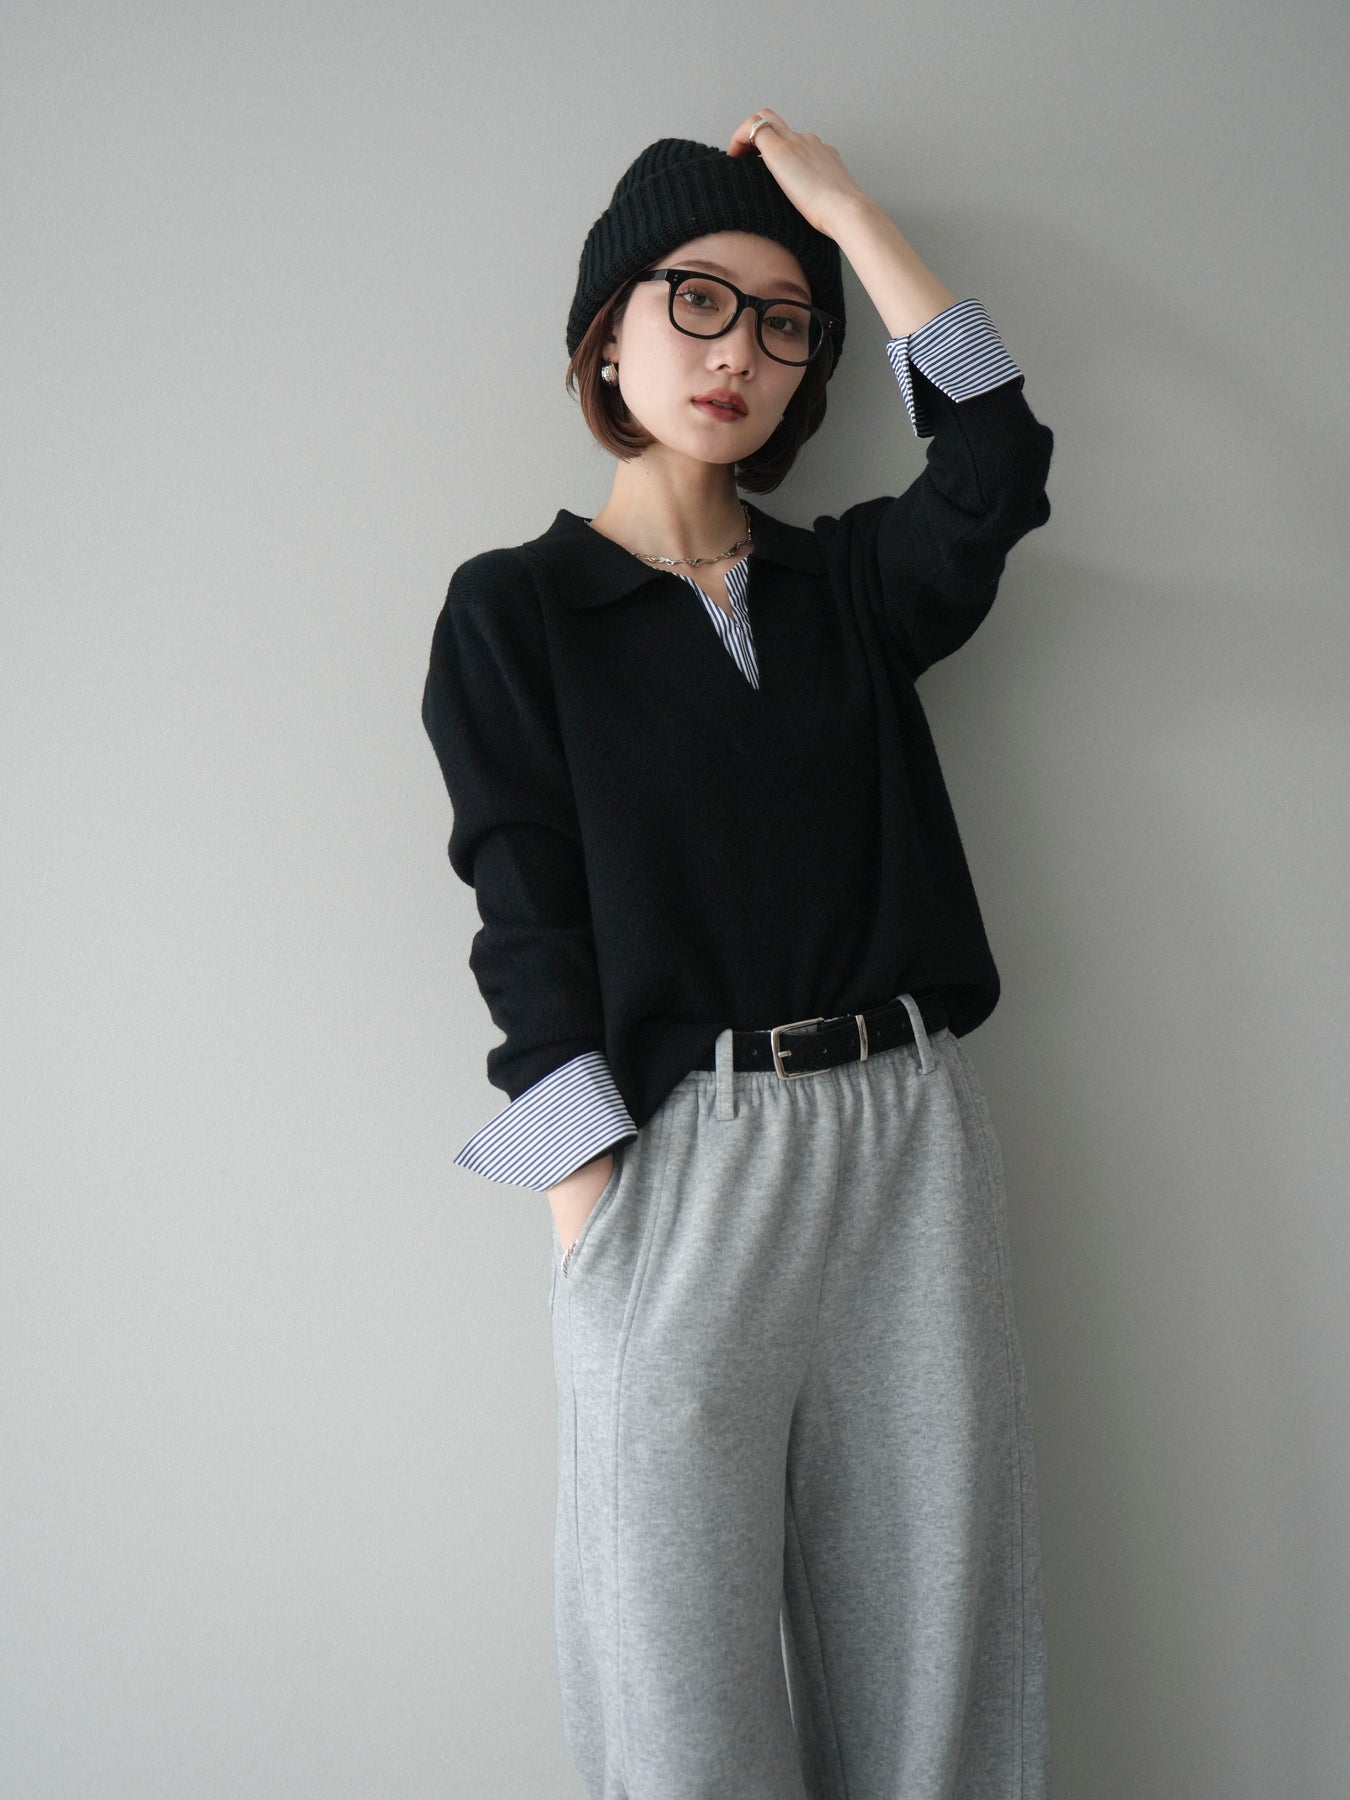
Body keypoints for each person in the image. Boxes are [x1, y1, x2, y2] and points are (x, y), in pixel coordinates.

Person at [421, 108, 1056, 1799]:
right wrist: (594, 1227)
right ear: (605, 335)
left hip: (908, 1139)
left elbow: (997, 465)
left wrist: (849, 219)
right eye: (697, 301)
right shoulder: (516, 611)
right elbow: (522, 921)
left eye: (784, 326)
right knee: (674, 1672)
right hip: (678, 1156)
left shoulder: (850, 588)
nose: (738, 353)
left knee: (935, 1652)